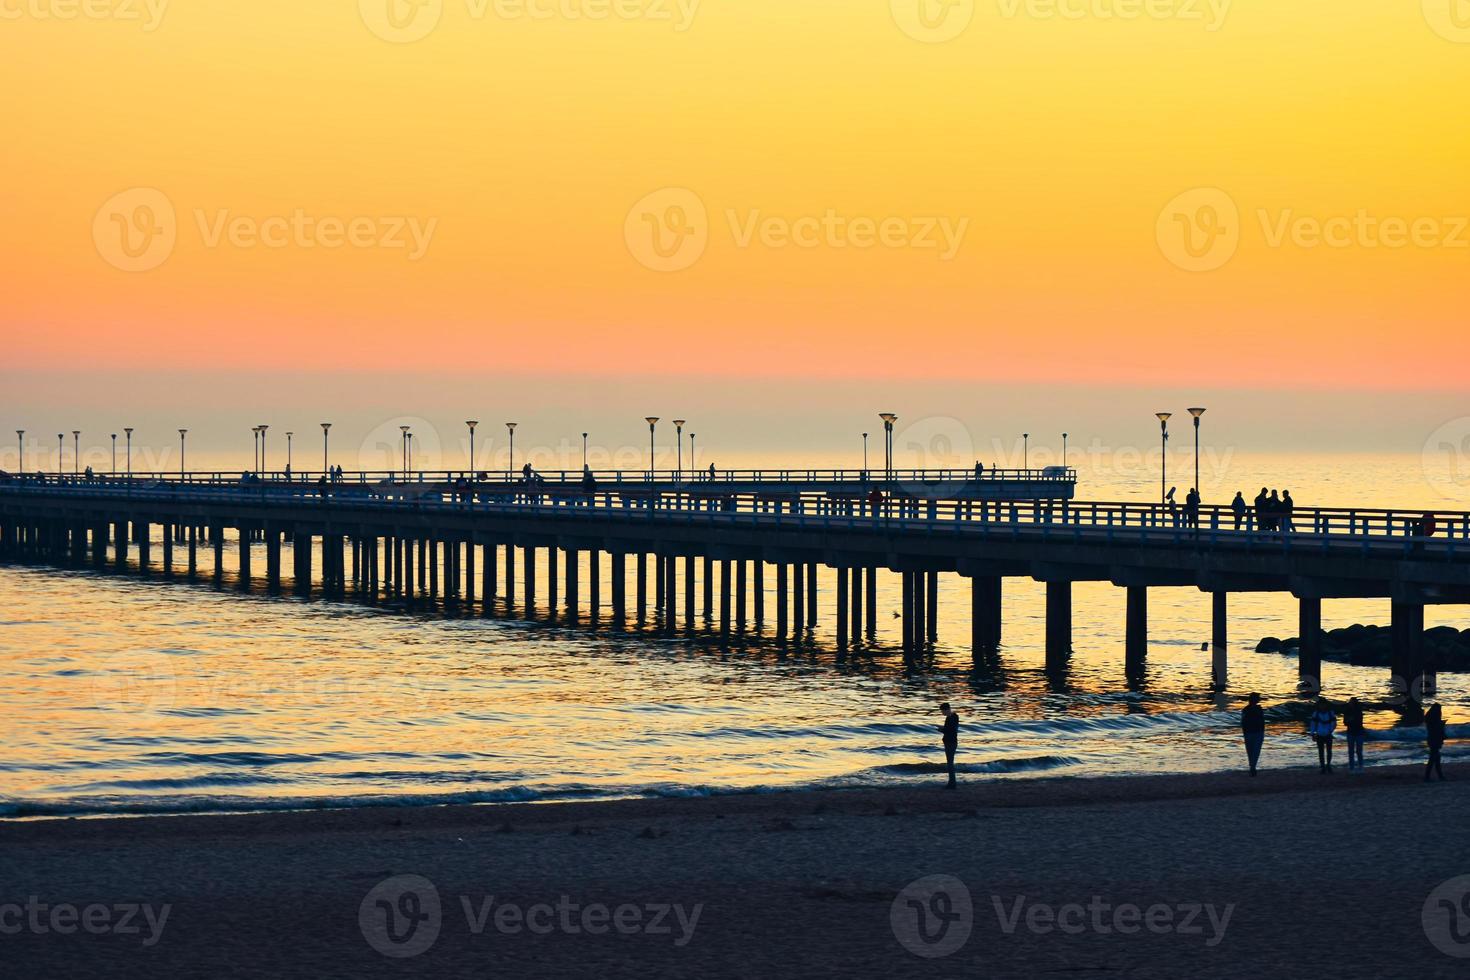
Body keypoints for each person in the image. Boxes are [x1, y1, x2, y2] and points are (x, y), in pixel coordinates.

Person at [1308, 697, 1336, 773]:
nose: (1322, 706)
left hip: (1328, 734)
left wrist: (1330, 730)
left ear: (1326, 704)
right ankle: (1323, 767)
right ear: (1319, 705)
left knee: (1329, 751)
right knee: (1321, 752)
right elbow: (1313, 724)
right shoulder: (1316, 713)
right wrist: (1312, 733)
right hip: (1319, 734)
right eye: (1321, 704)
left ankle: (1329, 765)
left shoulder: (1330, 713)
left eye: (1324, 704)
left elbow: (1333, 724)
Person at [1241, 692, 1266, 775]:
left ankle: (1252, 767)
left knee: (1251, 750)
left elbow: (1243, 721)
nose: (1259, 699)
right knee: (1255, 750)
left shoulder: (1246, 709)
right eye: (1258, 698)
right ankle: (1252, 767)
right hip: (1256, 732)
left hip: (1250, 732)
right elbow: (1261, 721)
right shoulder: (1257, 709)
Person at [939, 703, 960, 789]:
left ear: (946, 709)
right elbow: (950, 729)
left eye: (942, 711)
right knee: (950, 763)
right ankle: (952, 783)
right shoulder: (953, 717)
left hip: (950, 742)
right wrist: (943, 729)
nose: (942, 713)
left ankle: (952, 783)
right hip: (951, 741)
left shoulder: (951, 717)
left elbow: (950, 730)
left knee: (950, 763)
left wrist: (941, 729)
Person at [1425, 703, 1447, 782]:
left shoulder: (1429, 720)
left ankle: (1439, 776)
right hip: (1435, 741)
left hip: (1432, 740)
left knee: (1436, 758)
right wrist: (1442, 725)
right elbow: (1437, 731)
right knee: (1433, 759)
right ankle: (1428, 777)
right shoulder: (1435, 721)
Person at [1342, 696, 1366, 770]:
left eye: (1352, 702)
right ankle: (1352, 767)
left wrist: (1350, 720)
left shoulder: (1359, 711)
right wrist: (1350, 720)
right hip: (1351, 732)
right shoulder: (1347, 711)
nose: (1351, 704)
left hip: (1358, 732)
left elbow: (1359, 722)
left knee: (1358, 751)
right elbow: (1345, 722)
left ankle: (1360, 766)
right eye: (1350, 702)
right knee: (1351, 751)